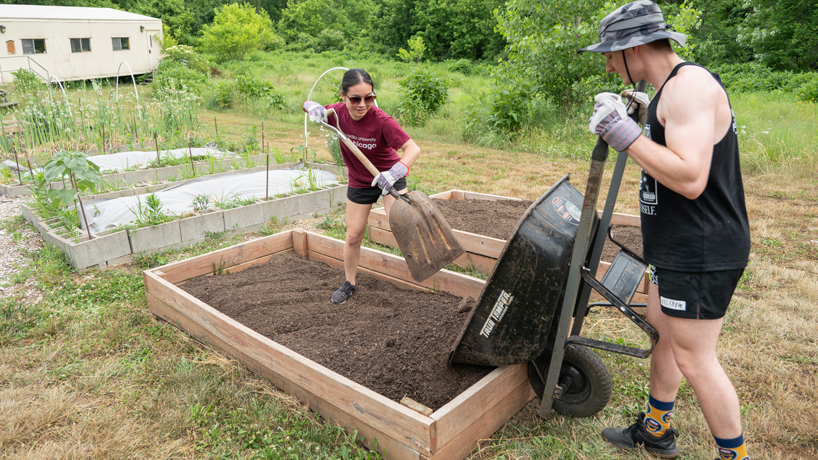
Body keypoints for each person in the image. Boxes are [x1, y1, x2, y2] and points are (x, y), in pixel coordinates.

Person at [579, 1, 751, 459]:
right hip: (676, 245)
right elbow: (671, 149)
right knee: (661, 330)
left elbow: (691, 179)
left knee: (696, 359)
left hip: (701, 249)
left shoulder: (689, 88)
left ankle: (735, 455)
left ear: (634, 47)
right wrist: (638, 122)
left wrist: (627, 136)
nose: (609, 62)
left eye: (611, 54)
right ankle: (657, 428)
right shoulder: (666, 91)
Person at [304, 68, 421, 305]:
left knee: (401, 225)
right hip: (360, 179)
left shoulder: (381, 120)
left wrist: (396, 171)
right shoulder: (335, 114)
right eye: (355, 98)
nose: (362, 104)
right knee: (353, 235)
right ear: (343, 96)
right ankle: (349, 283)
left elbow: (413, 149)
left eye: (369, 97)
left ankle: (423, 262)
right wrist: (312, 107)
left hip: (389, 176)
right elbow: (307, 105)